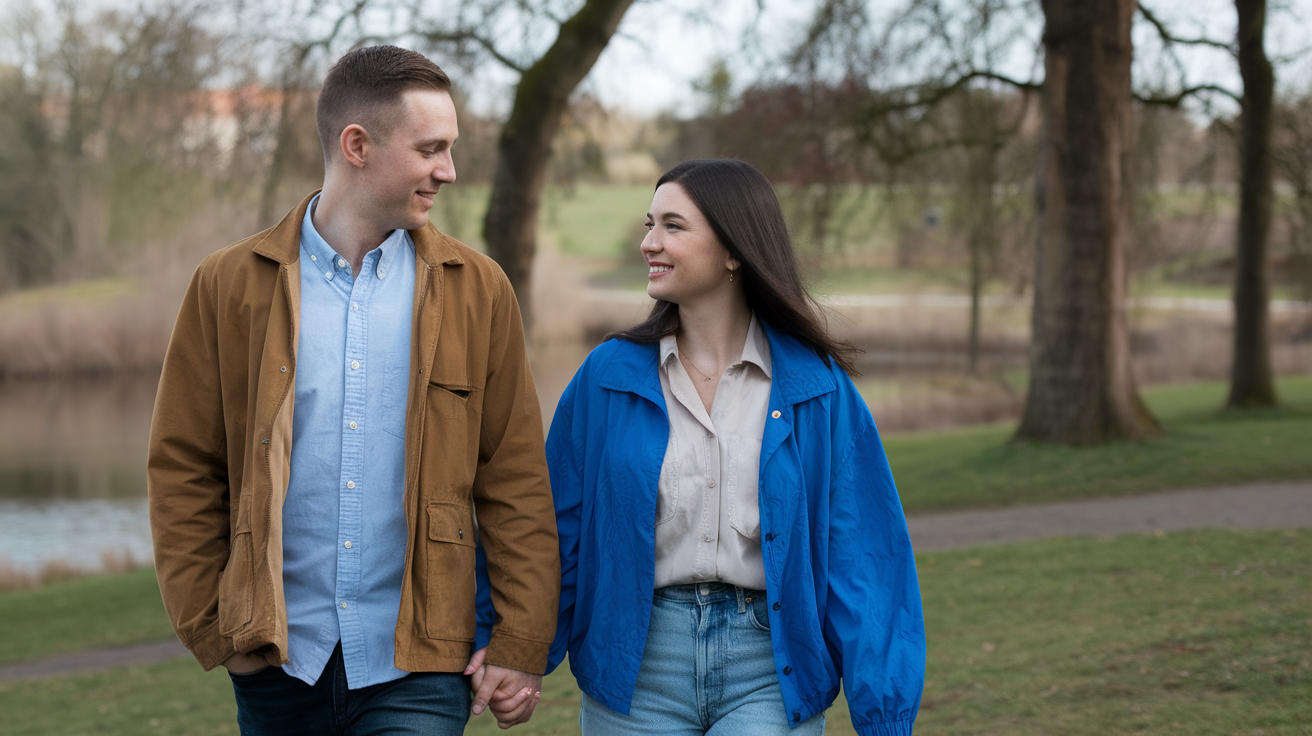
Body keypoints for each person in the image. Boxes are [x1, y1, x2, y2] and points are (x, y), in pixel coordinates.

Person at [147, 46, 559, 735]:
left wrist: (519, 643)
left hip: (421, 667)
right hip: (278, 663)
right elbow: (184, 467)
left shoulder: (478, 289)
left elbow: (513, 477)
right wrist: (215, 631)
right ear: (358, 145)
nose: (448, 171)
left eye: (450, 149)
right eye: (431, 149)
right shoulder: (226, 285)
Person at [545, 158, 925, 735]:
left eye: (673, 226)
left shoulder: (815, 389)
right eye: (650, 224)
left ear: (734, 250)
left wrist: (885, 714)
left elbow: (864, 553)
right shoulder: (608, 376)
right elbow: (555, 529)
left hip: (770, 668)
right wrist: (515, 652)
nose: (649, 242)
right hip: (636, 666)